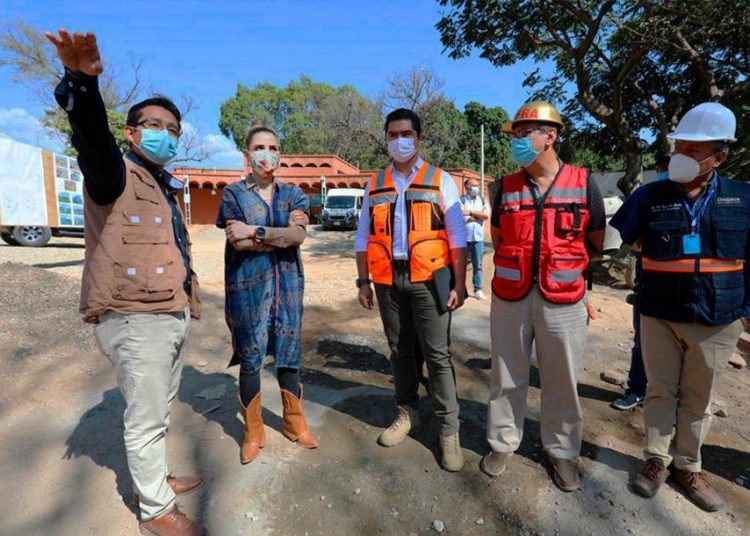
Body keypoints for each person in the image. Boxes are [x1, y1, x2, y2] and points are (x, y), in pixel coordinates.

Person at [46, 29, 203, 535]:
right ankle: (156, 511)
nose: (164, 133)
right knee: (145, 417)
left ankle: (152, 480)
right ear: (132, 134)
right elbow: (91, 140)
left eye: (172, 128)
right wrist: (82, 83)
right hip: (135, 316)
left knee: (157, 410)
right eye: (152, 125)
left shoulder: (162, 183)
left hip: (168, 312)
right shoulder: (114, 173)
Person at [610, 103, 748, 512]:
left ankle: (689, 466)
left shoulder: (742, 199)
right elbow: (627, 240)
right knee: (659, 391)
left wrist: (745, 314)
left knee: (698, 398)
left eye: (692, 148)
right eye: (678, 146)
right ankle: (656, 460)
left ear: (719, 156)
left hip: (719, 319)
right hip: (658, 315)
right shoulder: (649, 196)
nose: (680, 155)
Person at [481, 101, 605, 492]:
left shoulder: (585, 184)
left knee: (561, 380)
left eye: (523, 133)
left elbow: (596, 242)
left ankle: (563, 452)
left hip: (564, 300)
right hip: (510, 298)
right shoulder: (502, 186)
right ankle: (503, 441)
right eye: (515, 134)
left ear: (549, 136)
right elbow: (499, 239)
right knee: (506, 376)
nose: (516, 140)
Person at [354, 108, 468, 472]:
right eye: (392, 134)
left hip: (430, 278)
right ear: (385, 139)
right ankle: (407, 413)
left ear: (418, 138)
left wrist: (461, 283)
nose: (399, 140)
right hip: (389, 280)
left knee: (437, 356)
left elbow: (458, 235)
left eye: (406, 133)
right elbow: (362, 235)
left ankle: (449, 430)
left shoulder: (441, 180)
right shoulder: (375, 183)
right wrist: (363, 281)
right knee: (399, 352)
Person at [217, 120, 318, 465]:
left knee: (289, 352)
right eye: (260, 147)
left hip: (288, 285)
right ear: (248, 154)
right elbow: (237, 240)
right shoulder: (233, 194)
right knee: (251, 357)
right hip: (247, 287)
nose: (267, 154)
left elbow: (298, 237)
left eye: (273, 148)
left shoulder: (294, 194)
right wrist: (277, 235)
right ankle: (253, 431)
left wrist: (256, 232)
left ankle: (294, 422)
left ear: (280, 155)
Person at [612, 153, 671, 411]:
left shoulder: (709, 199)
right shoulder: (648, 197)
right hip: (650, 287)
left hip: (692, 293)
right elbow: (628, 233)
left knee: (680, 351)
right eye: (660, 167)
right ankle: (636, 390)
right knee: (642, 343)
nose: (664, 171)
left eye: (666, 167)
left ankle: (670, 398)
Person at [460, 177, 490, 299]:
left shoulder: (482, 200)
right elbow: (461, 217)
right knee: (461, 266)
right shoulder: (460, 200)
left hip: (478, 239)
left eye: (477, 185)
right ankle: (460, 289)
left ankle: (478, 289)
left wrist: (471, 213)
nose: (476, 188)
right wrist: (479, 216)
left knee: (478, 265)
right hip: (463, 239)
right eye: (474, 185)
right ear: (467, 187)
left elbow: (486, 215)